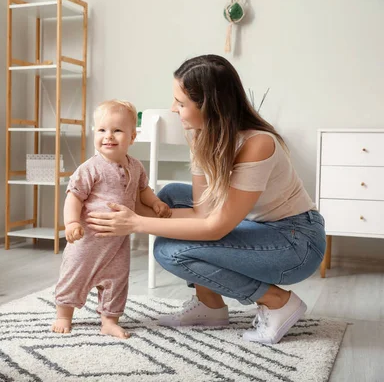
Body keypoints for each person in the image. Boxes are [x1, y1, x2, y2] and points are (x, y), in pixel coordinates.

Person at [86, 55, 326, 344]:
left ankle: (277, 301)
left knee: (170, 251)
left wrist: (137, 223)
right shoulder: (201, 136)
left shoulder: (257, 143)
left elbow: (215, 227)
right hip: (254, 225)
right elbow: (202, 212)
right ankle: (209, 306)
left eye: (182, 103)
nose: (174, 109)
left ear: (210, 105)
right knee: (171, 195)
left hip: (295, 242)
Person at [51, 100, 171, 339]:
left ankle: (109, 320)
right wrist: (72, 223)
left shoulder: (135, 166)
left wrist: (155, 202)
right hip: (87, 241)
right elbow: (73, 198)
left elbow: (142, 190)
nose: (109, 136)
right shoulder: (90, 168)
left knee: (117, 281)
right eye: (102, 130)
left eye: (117, 130)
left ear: (132, 137)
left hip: (117, 242)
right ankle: (64, 315)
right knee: (74, 275)